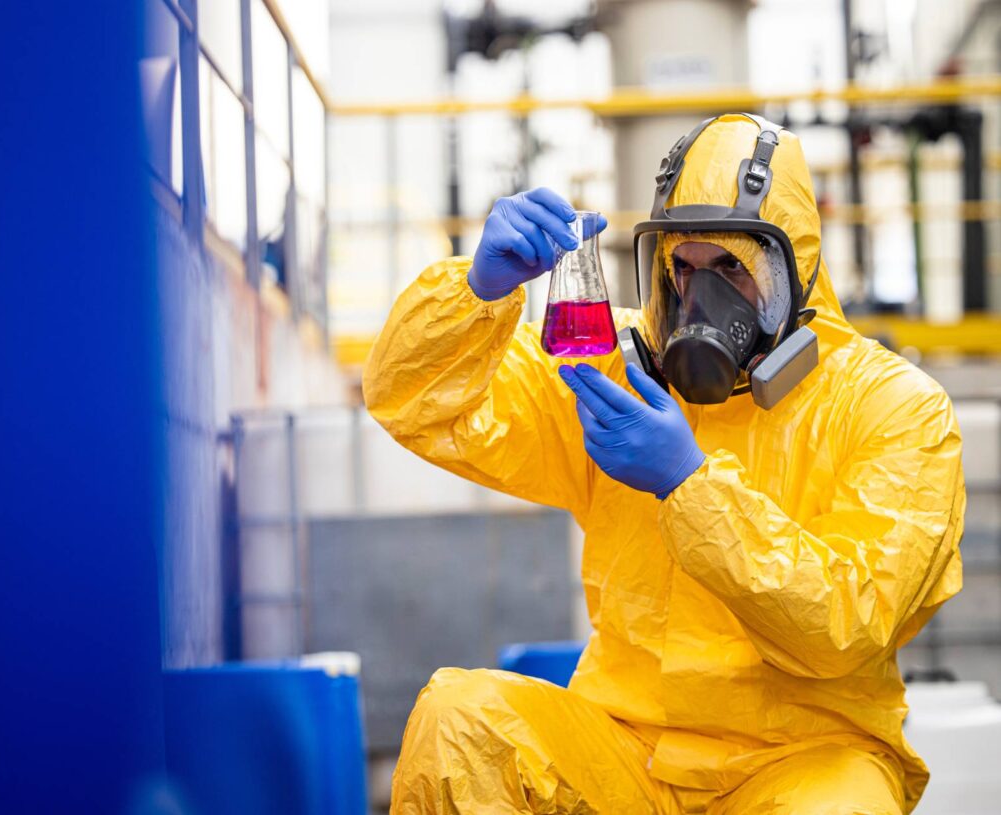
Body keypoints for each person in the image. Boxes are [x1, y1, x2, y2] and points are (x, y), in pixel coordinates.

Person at [363, 113, 965, 814]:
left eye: (731, 269)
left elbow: (847, 623)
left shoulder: (895, 409)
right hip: (627, 753)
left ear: (790, 266)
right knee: (461, 721)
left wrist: (689, 484)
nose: (698, 296)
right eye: (684, 266)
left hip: (802, 760)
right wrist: (477, 292)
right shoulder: (615, 372)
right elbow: (416, 403)